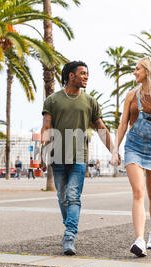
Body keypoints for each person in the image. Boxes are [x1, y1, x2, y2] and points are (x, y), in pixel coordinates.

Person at [41, 60, 118, 256]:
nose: (86, 76)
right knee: (62, 197)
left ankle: (69, 235)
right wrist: (42, 154)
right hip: (57, 155)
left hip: (79, 157)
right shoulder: (53, 100)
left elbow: (101, 129)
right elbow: (47, 128)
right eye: (82, 73)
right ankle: (70, 227)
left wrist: (114, 151)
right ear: (71, 76)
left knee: (73, 196)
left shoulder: (90, 102)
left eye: (87, 73)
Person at [110, 57, 151, 258]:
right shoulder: (131, 95)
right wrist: (115, 150)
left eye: (137, 68)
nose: (134, 72)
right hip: (134, 146)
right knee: (138, 192)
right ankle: (139, 239)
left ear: (147, 70)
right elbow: (123, 124)